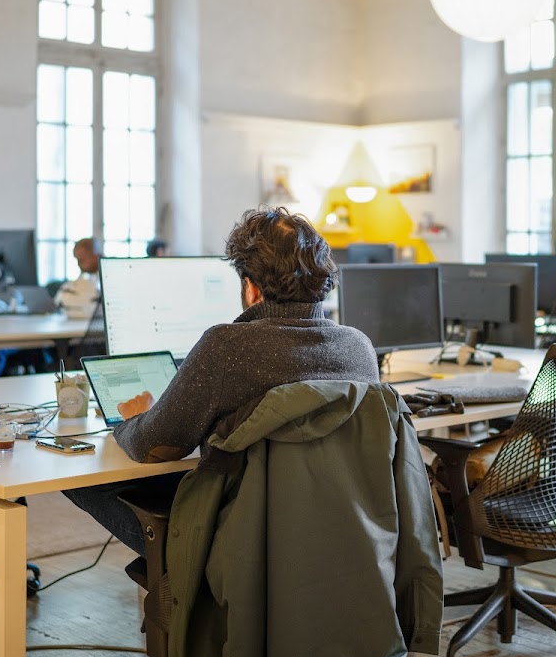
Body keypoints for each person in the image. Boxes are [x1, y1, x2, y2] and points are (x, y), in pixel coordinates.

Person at [63, 207, 380, 553]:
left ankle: (184, 584)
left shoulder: (226, 347)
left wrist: (133, 419)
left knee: (81, 478)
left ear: (251, 289)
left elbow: (150, 446)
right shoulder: (359, 348)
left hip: (241, 548)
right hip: (339, 540)